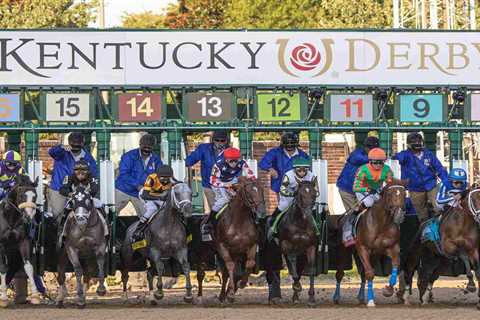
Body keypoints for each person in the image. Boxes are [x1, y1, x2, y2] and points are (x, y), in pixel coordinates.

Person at [343, 148, 393, 247]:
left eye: (381, 162)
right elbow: (355, 187)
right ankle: (348, 231)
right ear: (370, 161)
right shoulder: (363, 170)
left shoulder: (387, 169)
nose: (378, 165)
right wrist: (368, 189)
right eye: (375, 162)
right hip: (362, 191)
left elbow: (390, 183)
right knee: (369, 203)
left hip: (377, 191)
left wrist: (385, 189)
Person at [393, 132, 449, 222]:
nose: (417, 143)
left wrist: (447, 183)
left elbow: (440, 169)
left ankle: (441, 225)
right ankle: (426, 232)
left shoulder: (429, 154)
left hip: (431, 185)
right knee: (422, 215)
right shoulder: (405, 155)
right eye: (414, 142)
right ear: (409, 144)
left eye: (419, 141)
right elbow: (395, 158)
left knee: (440, 207)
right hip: (415, 189)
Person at [202, 147, 256, 238]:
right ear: (226, 159)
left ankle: (254, 218)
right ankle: (209, 222)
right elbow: (212, 180)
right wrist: (224, 185)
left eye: (236, 160)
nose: (234, 163)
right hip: (218, 183)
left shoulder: (242, 163)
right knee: (224, 199)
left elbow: (250, 174)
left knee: (242, 197)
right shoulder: (218, 165)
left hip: (232, 181)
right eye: (231, 161)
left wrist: (254, 182)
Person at [48, 132, 97, 224]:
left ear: (82, 144)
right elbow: (51, 152)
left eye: (78, 145)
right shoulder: (62, 153)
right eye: (73, 144)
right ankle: (59, 234)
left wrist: (89, 190)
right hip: (59, 188)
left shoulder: (88, 158)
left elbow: (94, 174)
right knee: (58, 215)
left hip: (80, 190)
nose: (75, 147)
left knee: (84, 213)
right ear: (69, 143)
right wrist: (61, 147)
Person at [267, 157, 318, 242]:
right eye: (299, 171)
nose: (302, 173)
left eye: (304, 171)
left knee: (313, 211)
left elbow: (316, 190)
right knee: (281, 208)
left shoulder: (312, 176)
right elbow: (283, 189)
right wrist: (293, 194)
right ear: (295, 170)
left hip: (306, 199)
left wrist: (310, 197)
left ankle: (317, 231)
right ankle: (273, 228)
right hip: (288, 198)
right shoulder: (288, 175)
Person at [59, 160, 109, 243]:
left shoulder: (93, 177)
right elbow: (62, 189)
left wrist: (86, 194)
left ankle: (106, 230)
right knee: (66, 209)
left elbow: (94, 189)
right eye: (77, 170)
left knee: (100, 205)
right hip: (75, 199)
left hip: (89, 199)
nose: (80, 172)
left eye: (83, 170)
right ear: (74, 170)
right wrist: (70, 193)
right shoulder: (69, 177)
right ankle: (62, 232)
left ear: (88, 171)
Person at [115, 134, 162, 217]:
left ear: (153, 147)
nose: (146, 149)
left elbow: (159, 174)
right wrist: (137, 185)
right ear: (140, 145)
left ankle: (142, 229)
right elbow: (123, 174)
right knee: (110, 212)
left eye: (149, 148)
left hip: (141, 193)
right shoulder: (129, 156)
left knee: (148, 216)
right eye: (144, 147)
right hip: (123, 189)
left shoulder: (156, 159)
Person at [185, 130, 229, 212]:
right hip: (209, 186)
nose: (219, 142)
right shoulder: (204, 148)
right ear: (213, 140)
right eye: (217, 140)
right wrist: (187, 160)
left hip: (226, 187)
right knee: (217, 211)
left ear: (226, 141)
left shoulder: (230, 151)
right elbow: (189, 161)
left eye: (222, 140)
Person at [132, 165, 175, 242]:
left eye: (167, 178)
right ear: (157, 176)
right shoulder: (152, 178)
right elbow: (145, 195)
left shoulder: (171, 179)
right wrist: (159, 198)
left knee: (170, 208)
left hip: (159, 195)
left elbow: (179, 184)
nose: (165, 180)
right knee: (153, 209)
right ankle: (138, 230)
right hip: (147, 195)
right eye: (162, 177)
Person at [336, 136, 380, 212]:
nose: (373, 151)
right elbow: (362, 159)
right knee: (355, 212)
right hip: (347, 190)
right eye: (372, 149)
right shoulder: (356, 154)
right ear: (366, 147)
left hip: (359, 190)